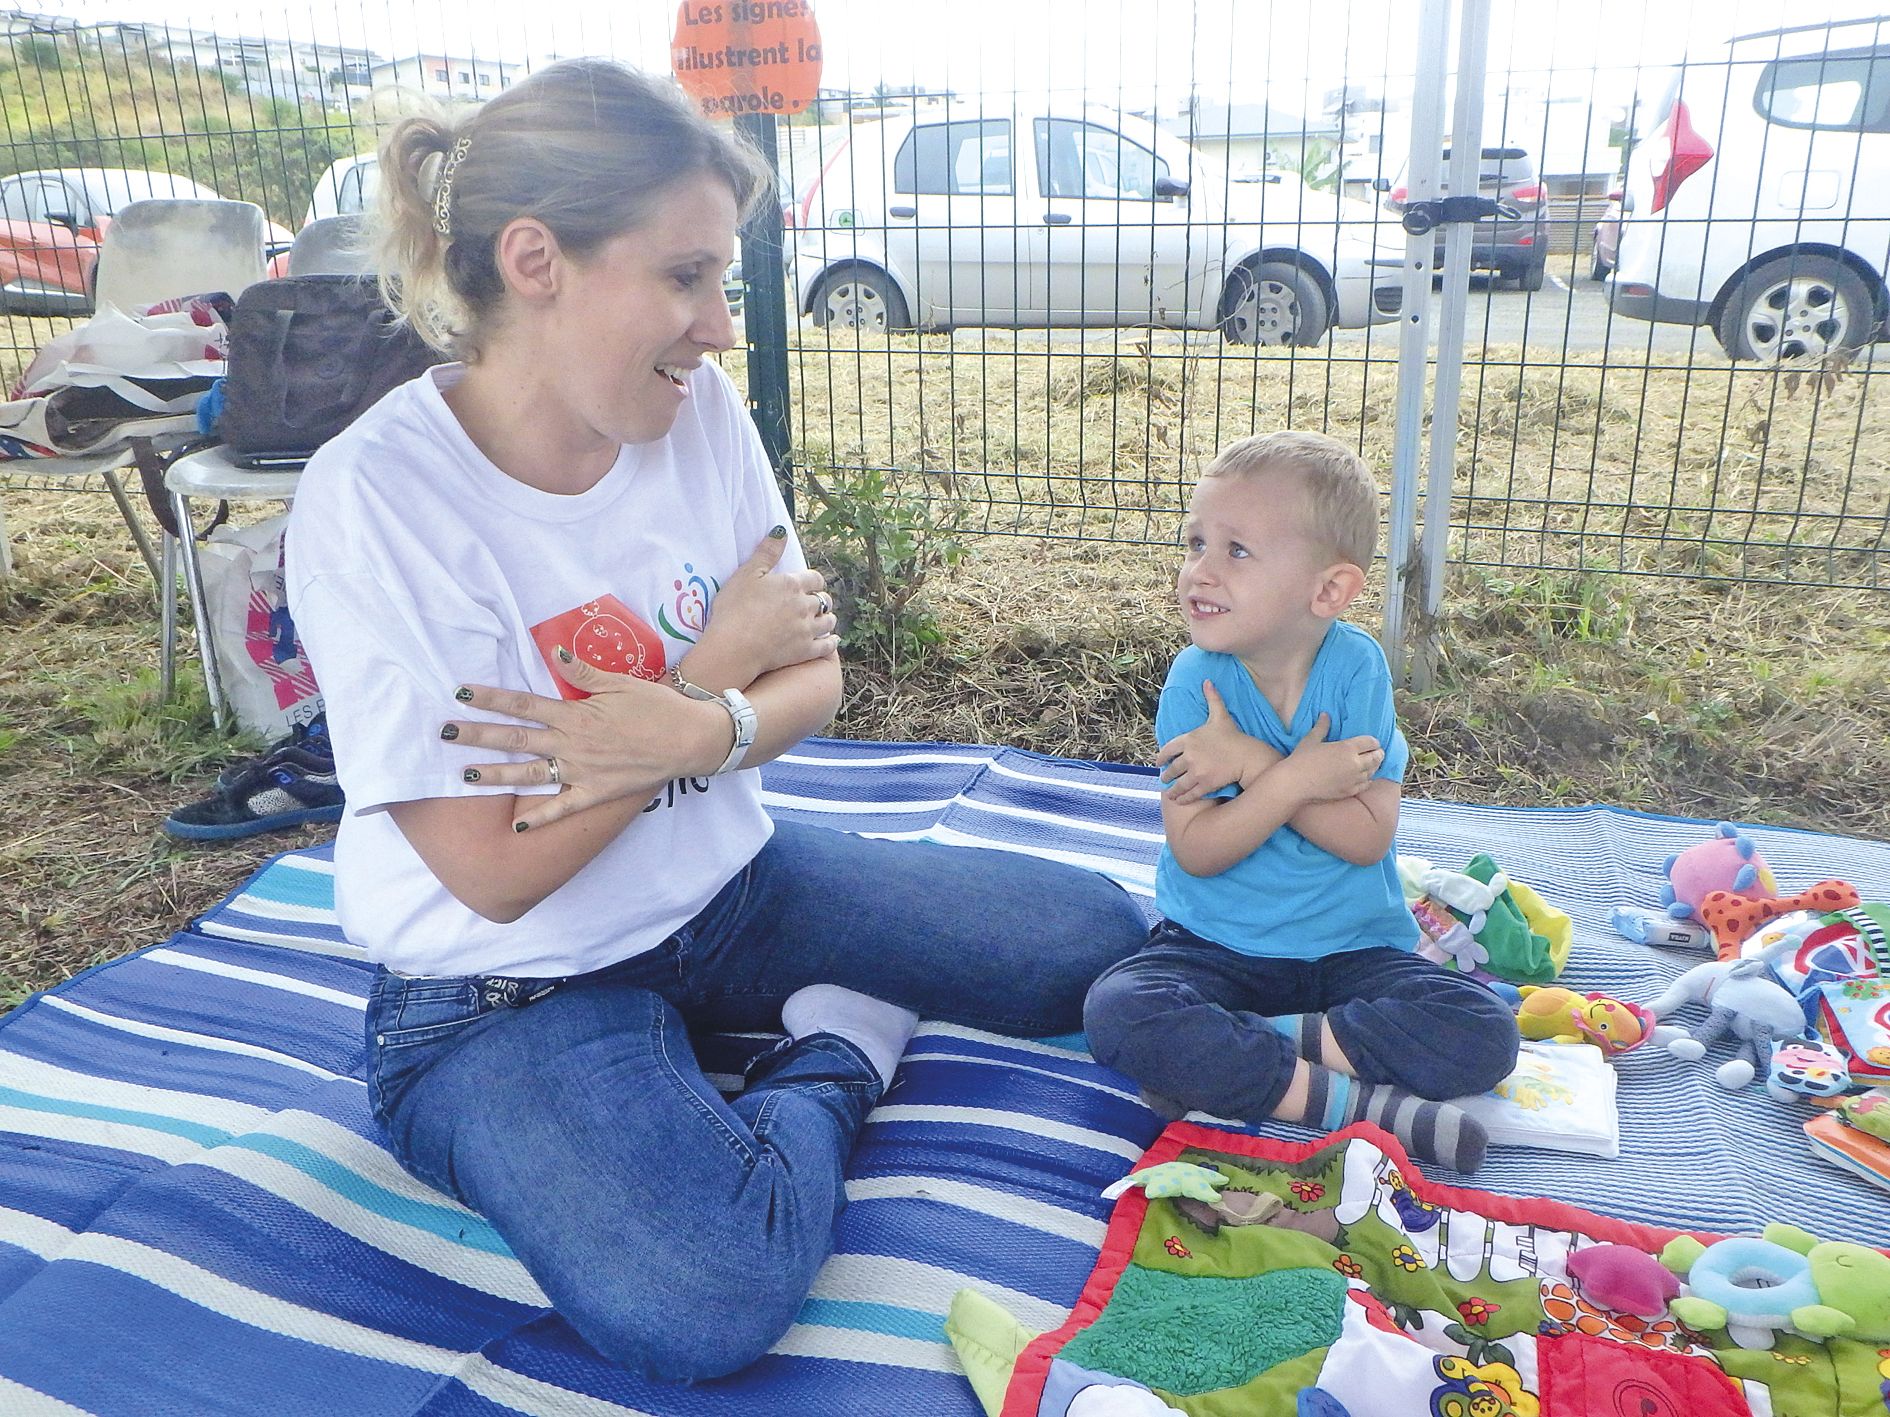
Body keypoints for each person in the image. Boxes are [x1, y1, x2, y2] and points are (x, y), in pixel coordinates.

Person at [284, 59, 1146, 1383]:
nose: (722, 328)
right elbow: (497, 866)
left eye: (723, 281)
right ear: (536, 261)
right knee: (704, 1296)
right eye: (685, 277)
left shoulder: (697, 416)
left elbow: (808, 678)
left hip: (727, 889)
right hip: (500, 994)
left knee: (1093, 944)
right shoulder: (378, 502)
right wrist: (707, 685)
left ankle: (737, 1030)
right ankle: (836, 1050)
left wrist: (698, 727)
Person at [1082, 431, 1518, 1174]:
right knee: (1119, 1010)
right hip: (1213, 946)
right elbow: (1199, 849)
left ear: (1329, 591)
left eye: (1236, 551)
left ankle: (1250, 1049)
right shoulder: (1197, 682)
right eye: (1195, 542)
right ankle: (1358, 1108)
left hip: (1353, 953)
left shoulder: (1357, 673)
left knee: (1485, 1032)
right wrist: (1289, 777)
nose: (1200, 571)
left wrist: (1254, 764)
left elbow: (1367, 838)